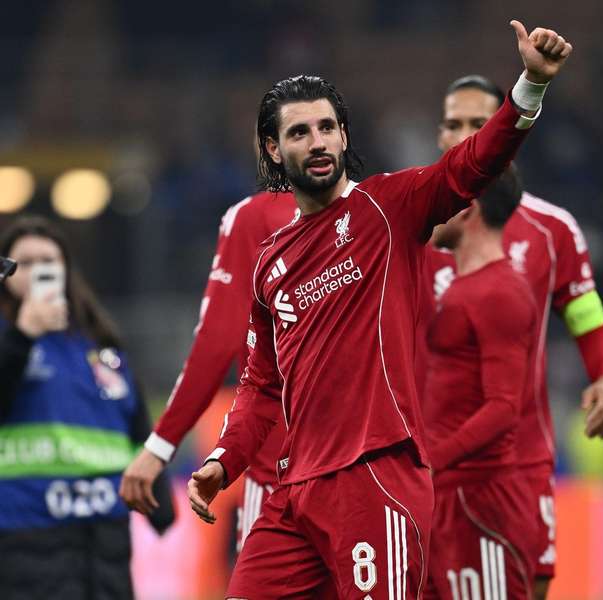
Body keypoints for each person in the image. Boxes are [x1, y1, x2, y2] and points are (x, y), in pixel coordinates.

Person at [187, 20, 573, 599]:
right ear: (274, 149)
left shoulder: (388, 208)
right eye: (299, 133)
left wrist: (530, 89)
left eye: (326, 128)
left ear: (344, 137)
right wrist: (224, 459)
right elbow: (260, 388)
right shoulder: (270, 260)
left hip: (377, 474)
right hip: (294, 489)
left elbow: (471, 165)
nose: (316, 142)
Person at [425, 74, 603, 599]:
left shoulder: (550, 231)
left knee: (523, 587)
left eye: (478, 124)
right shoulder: (413, 223)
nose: (464, 136)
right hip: (429, 465)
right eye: (452, 124)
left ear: (509, 131)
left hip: (516, 461)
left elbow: (590, 324)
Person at [0, 216, 174, 600]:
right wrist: (23, 335)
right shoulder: (7, 339)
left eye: (49, 261)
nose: (38, 271)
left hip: (103, 542)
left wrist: (160, 499)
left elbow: (133, 426)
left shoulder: (99, 346)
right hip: (22, 534)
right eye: (25, 262)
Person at [119, 189, 297, 549]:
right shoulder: (378, 211)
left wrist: (160, 445)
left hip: (281, 473)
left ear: (269, 147)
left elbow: (216, 342)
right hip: (373, 469)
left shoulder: (254, 217)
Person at [423, 167, 539, 600]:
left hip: (481, 502)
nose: (434, 210)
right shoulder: (464, 287)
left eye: (443, 199)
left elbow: (503, 407)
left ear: (468, 208)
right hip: (445, 500)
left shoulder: (500, 292)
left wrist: (430, 461)